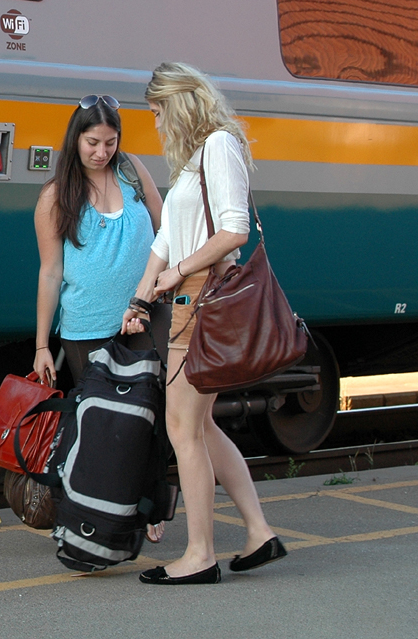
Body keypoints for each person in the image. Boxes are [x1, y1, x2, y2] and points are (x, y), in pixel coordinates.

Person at [122, 62, 286, 586]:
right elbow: (167, 238)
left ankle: (200, 555)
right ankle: (259, 532)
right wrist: (141, 297)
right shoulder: (193, 158)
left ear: (180, 103)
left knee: (182, 428)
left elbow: (234, 231)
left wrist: (176, 274)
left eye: (157, 111)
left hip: (201, 303)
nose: (155, 122)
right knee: (203, 425)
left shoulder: (218, 145)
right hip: (186, 300)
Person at [32, 93, 168, 542]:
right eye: (92, 142)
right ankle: (96, 515)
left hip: (146, 318)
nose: (101, 152)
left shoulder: (131, 170)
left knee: (152, 421)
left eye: (109, 142)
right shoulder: (56, 196)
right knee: (102, 428)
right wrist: (40, 346)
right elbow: (50, 273)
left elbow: (164, 232)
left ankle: (149, 511)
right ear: (76, 139)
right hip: (86, 330)